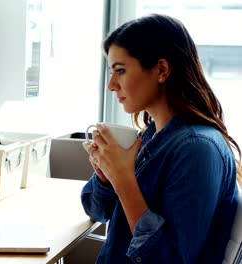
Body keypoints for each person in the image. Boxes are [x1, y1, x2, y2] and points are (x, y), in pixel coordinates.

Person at [81, 14, 240, 264]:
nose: (111, 85)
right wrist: (106, 177)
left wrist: (124, 181)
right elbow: (95, 210)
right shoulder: (151, 136)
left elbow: (168, 260)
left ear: (162, 70)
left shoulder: (197, 148)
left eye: (120, 71)